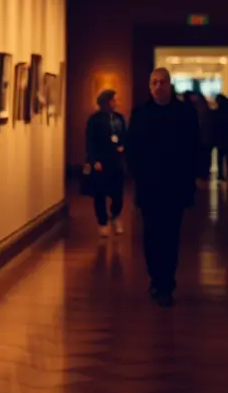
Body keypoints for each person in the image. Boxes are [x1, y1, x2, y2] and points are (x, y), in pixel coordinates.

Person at [126, 68, 201, 307]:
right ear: (150, 87)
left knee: (171, 235)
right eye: (154, 82)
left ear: (170, 85)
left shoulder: (185, 114)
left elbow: (194, 148)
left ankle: (166, 283)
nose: (158, 86)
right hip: (149, 186)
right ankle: (156, 279)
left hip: (175, 186)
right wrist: (138, 174)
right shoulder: (140, 114)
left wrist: (190, 181)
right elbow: (132, 148)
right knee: (151, 235)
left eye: (163, 82)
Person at [83, 89, 128, 237]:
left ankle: (115, 216)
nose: (117, 102)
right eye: (115, 99)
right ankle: (102, 222)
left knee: (118, 193)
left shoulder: (119, 118)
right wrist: (93, 159)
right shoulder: (94, 120)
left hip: (117, 160)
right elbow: (90, 141)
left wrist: (124, 146)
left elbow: (125, 136)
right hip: (101, 161)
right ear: (108, 102)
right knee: (100, 193)